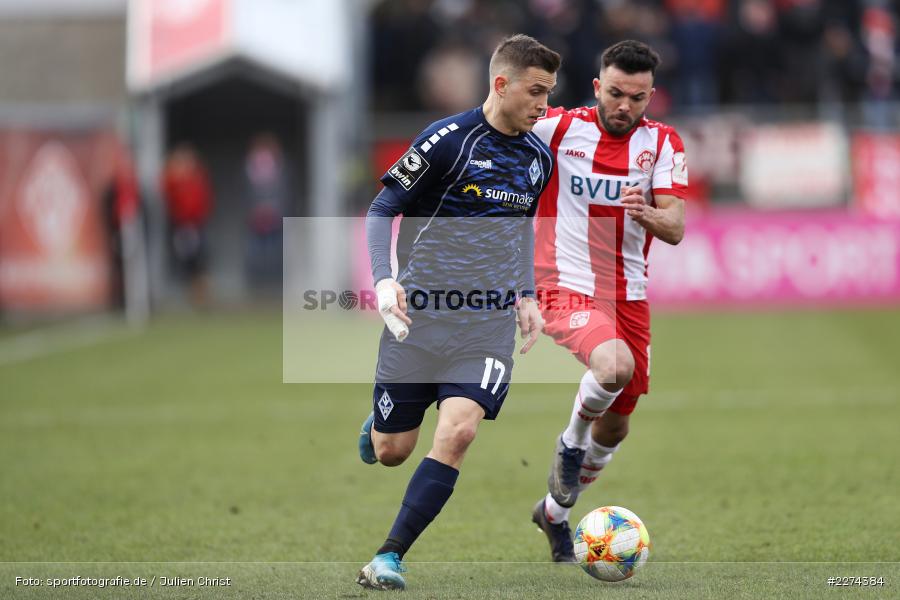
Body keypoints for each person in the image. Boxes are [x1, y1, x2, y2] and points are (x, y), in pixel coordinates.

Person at [355, 34, 560, 590]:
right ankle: (380, 426)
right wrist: (384, 279)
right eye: (536, 91)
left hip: (486, 325)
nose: (544, 105)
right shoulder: (448, 141)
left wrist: (525, 295)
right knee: (393, 451)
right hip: (421, 318)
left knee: (459, 432)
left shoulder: (538, 158)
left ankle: (389, 556)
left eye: (549, 93)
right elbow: (382, 207)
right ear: (501, 83)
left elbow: (521, 235)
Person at [528, 40, 687, 561]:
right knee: (612, 366)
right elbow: (498, 123)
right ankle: (570, 444)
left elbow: (676, 227)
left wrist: (648, 216)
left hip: (629, 296)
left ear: (650, 96)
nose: (625, 106)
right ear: (597, 86)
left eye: (636, 98)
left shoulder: (662, 144)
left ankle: (553, 513)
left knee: (616, 423)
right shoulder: (556, 128)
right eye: (616, 93)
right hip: (563, 283)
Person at [160, 143, 213, 307]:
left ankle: (202, 299)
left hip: (196, 225)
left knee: (201, 263)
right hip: (181, 226)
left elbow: (205, 199)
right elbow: (166, 193)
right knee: (186, 265)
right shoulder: (173, 180)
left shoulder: (197, 178)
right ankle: (192, 299)